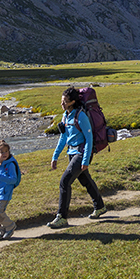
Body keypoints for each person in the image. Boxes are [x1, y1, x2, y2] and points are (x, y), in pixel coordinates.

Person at [47, 87, 107, 229]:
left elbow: (89, 139)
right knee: (85, 180)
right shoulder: (65, 116)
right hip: (71, 153)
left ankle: (62, 217)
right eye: (62, 101)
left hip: (81, 154)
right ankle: (100, 206)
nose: (62, 104)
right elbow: (63, 138)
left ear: (73, 102)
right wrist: (55, 156)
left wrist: (85, 160)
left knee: (65, 181)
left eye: (65, 101)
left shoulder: (81, 116)